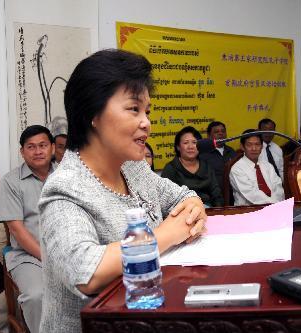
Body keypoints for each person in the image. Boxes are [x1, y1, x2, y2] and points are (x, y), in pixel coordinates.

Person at [38, 49, 206, 333]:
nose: (146, 122)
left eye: (147, 111)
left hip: (150, 315)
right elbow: (86, 272)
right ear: (92, 113)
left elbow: (182, 195)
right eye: (134, 109)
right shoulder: (64, 188)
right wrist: (167, 233)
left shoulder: (133, 167)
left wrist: (194, 206)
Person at [0, 125, 56, 333]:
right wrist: (48, 258)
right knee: (36, 295)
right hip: (27, 255)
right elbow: (17, 231)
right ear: (22, 152)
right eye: (31, 147)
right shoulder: (11, 182)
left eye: (42, 145)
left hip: (67, 250)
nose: (38, 151)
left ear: (53, 148)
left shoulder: (66, 176)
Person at [162, 126, 224, 207]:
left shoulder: (206, 166)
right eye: (186, 143)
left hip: (208, 212)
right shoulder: (171, 168)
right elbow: (166, 200)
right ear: (178, 147)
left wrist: (217, 213)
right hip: (182, 212)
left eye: (194, 142)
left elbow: (217, 195)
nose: (190, 147)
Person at [230, 129, 284, 205]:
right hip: (248, 211)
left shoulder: (268, 166)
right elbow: (251, 194)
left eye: (257, 144)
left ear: (262, 146)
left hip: (274, 207)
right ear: (242, 147)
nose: (254, 148)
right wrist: (273, 204)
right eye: (249, 145)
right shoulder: (237, 169)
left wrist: (276, 204)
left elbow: (278, 188)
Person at [199, 121, 236, 192]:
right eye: (216, 132)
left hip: (232, 194)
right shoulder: (203, 153)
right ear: (209, 135)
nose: (220, 133)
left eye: (223, 131)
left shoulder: (231, 151)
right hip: (212, 195)